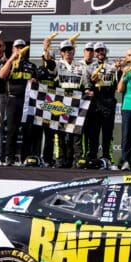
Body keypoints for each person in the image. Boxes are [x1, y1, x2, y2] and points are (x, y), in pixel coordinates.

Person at [43, 38, 87, 168]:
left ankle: (77, 160)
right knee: (59, 133)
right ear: (61, 52)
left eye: (69, 49)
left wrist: (89, 90)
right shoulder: (57, 64)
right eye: (64, 50)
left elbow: (86, 85)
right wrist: (46, 49)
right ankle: (60, 160)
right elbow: (49, 63)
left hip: (77, 103)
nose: (67, 52)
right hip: (60, 102)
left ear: (73, 51)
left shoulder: (80, 66)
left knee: (76, 133)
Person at [83, 42, 121, 169]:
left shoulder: (113, 66)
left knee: (107, 132)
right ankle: (92, 157)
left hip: (109, 101)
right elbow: (86, 85)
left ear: (105, 51)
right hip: (95, 103)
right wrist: (91, 85)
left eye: (102, 50)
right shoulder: (89, 67)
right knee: (93, 133)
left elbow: (118, 83)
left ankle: (107, 157)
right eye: (97, 51)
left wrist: (119, 70)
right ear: (94, 53)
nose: (100, 53)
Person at [0, 39, 36, 166]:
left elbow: (37, 84)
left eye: (22, 47)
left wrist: (34, 81)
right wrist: (10, 60)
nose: (20, 49)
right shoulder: (8, 62)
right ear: (13, 49)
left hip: (28, 101)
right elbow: (1, 76)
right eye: (17, 47)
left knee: (28, 130)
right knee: (12, 130)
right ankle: (9, 157)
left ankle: (26, 158)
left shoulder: (31, 65)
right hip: (12, 99)